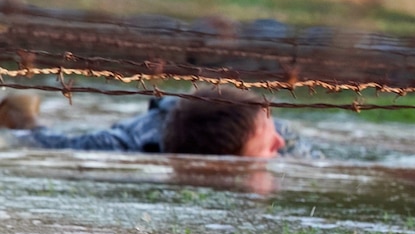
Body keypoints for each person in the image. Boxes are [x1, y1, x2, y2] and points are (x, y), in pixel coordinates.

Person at [0, 86, 312, 158]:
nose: (279, 142)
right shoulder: (125, 144)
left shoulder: (286, 139)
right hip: (157, 129)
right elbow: (53, 146)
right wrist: (24, 123)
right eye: (266, 146)